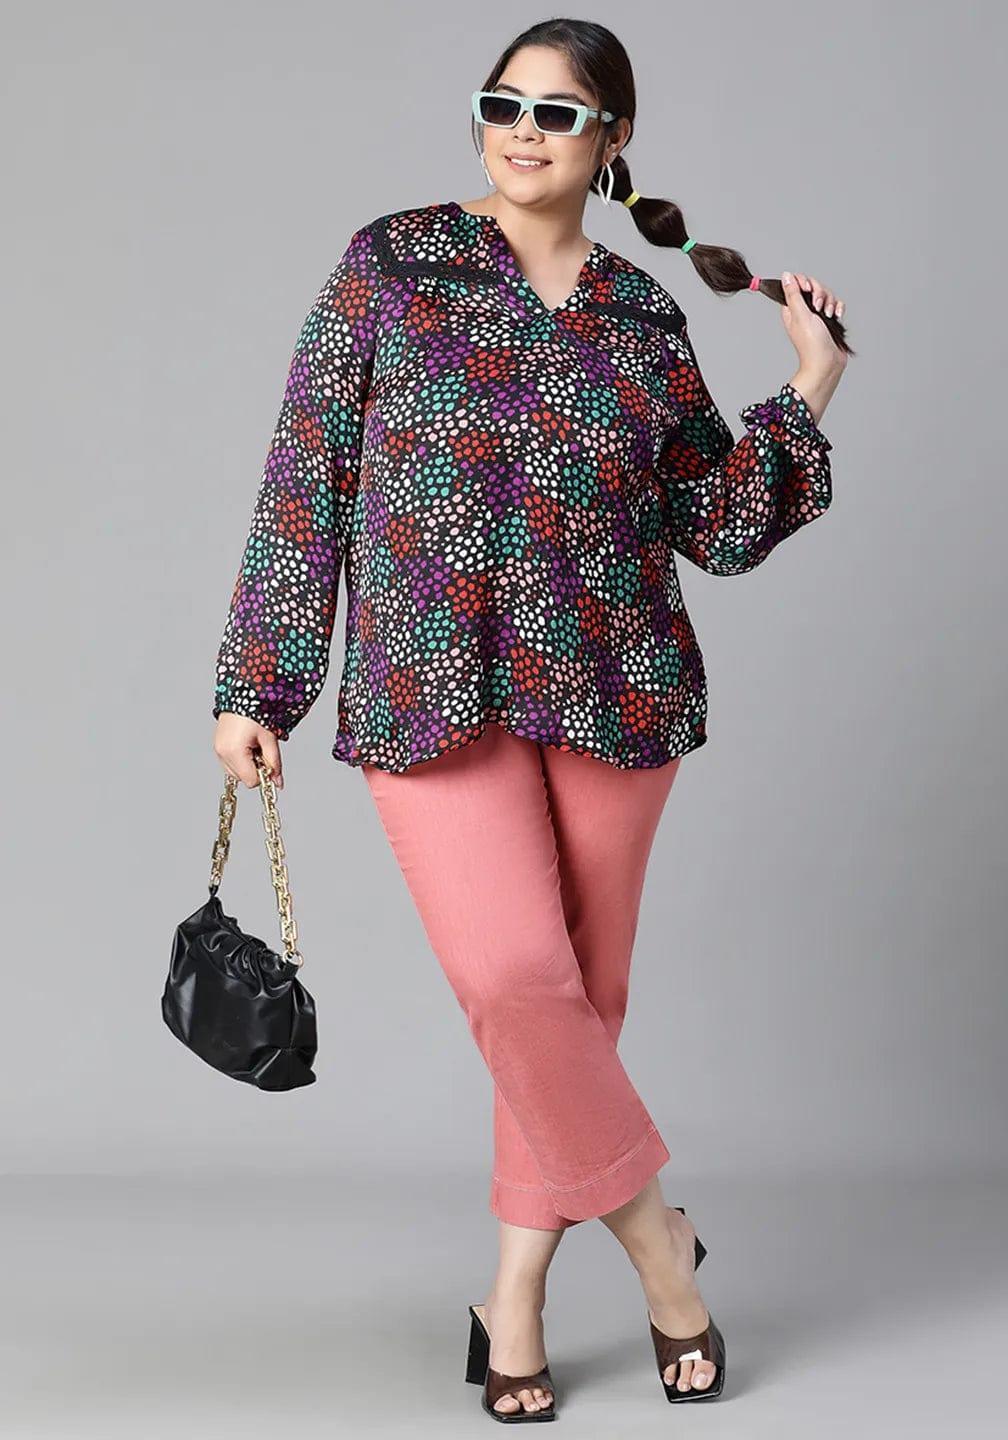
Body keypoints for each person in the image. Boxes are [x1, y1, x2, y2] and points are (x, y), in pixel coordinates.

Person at [211, 17, 848, 1421]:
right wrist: (260, 680)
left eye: (558, 113)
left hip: (618, 693)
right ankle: (667, 1258)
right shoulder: (393, 265)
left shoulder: (641, 318)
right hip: (426, 689)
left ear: (612, 141)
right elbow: (306, 472)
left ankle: (514, 1300)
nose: (522, 130)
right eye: (503, 103)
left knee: (577, 1012)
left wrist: (809, 384)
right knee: (518, 985)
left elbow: (716, 527)